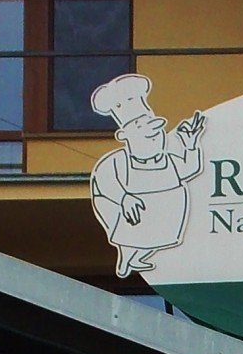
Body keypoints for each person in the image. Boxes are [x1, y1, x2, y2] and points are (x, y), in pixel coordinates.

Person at [88, 73, 205, 277]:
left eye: (156, 133)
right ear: (124, 136)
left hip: (164, 216)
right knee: (131, 236)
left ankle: (139, 257)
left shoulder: (167, 160)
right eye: (144, 132)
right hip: (132, 212)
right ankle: (126, 257)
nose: (154, 137)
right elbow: (104, 181)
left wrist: (191, 145)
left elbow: (190, 169)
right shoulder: (118, 161)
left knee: (157, 240)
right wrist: (123, 198)